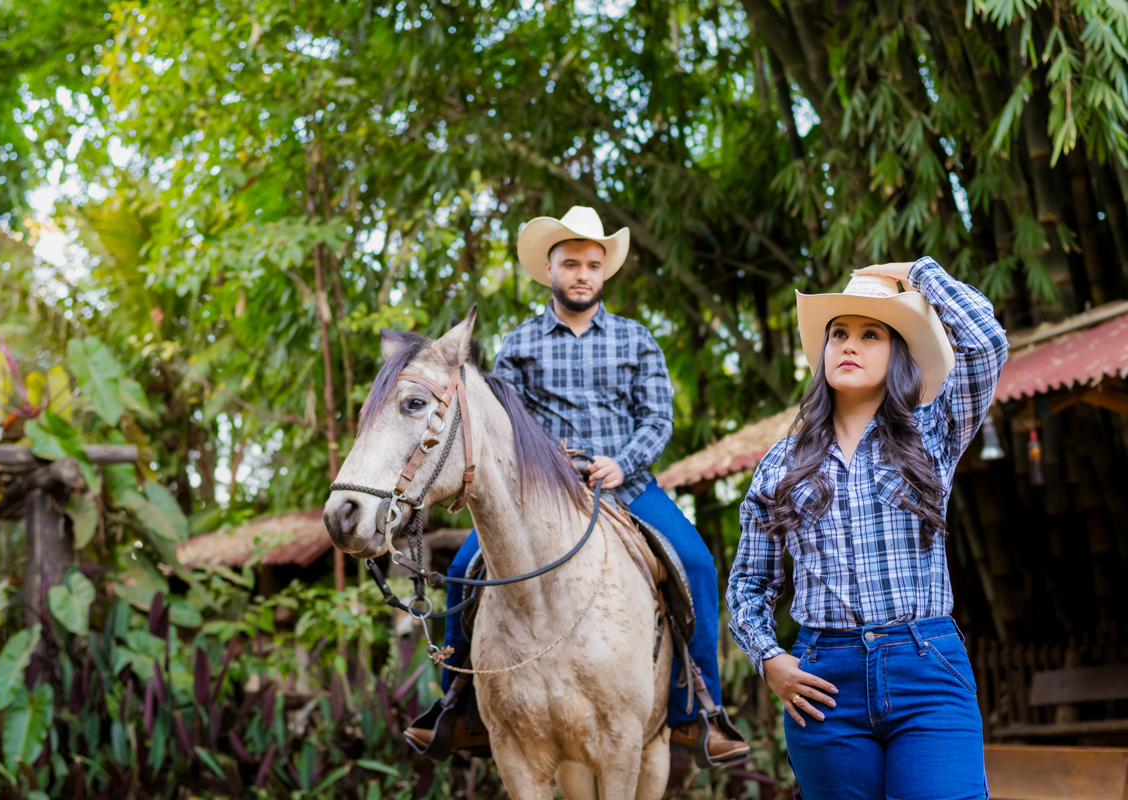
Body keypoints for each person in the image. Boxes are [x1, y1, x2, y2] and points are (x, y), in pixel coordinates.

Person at [404, 206, 748, 763]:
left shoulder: (637, 340)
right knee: (465, 571)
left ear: (605, 271)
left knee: (699, 564)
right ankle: (458, 705)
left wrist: (623, 463)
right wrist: (546, 461)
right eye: (570, 263)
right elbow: (504, 425)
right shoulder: (517, 344)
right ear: (550, 270)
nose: (582, 274)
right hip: (541, 493)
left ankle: (700, 712)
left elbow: (658, 418)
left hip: (628, 487)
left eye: (593, 264)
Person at [726, 257, 1008, 799]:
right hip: (824, 684)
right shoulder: (781, 463)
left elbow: (987, 342)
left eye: (870, 334)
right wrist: (770, 659)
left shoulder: (934, 433)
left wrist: (916, 270)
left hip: (926, 668)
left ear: (898, 353)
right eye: (839, 334)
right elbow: (749, 584)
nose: (849, 345)